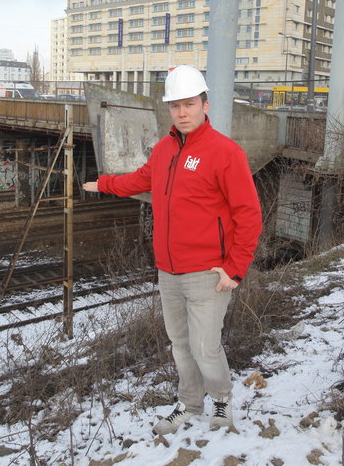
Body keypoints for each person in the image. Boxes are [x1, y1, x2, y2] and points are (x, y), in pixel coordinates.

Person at [82, 65, 262, 435]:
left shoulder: (225, 153)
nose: (182, 112)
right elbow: (140, 180)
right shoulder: (164, 149)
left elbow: (249, 214)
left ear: (205, 105)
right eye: (176, 105)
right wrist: (103, 184)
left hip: (209, 274)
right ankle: (190, 404)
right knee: (180, 345)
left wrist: (235, 267)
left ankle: (222, 401)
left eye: (190, 104)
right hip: (168, 271)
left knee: (205, 347)